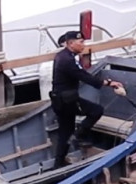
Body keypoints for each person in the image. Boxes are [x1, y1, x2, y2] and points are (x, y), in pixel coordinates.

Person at [49, 30, 125, 169]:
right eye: (81, 42)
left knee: (65, 132)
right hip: (67, 101)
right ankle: (79, 136)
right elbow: (84, 76)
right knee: (96, 111)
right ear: (71, 43)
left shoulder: (62, 56)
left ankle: (58, 164)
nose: (84, 45)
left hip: (59, 100)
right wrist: (108, 83)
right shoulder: (68, 60)